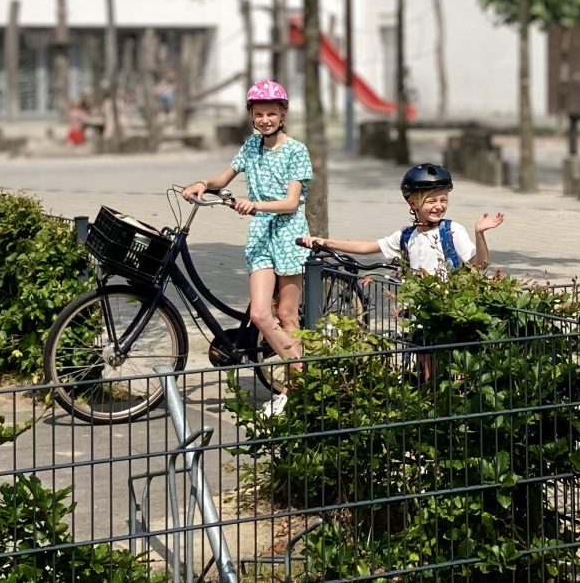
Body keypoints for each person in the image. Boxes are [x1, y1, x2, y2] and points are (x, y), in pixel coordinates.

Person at [181, 79, 312, 417]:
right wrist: (202, 183)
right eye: (259, 114)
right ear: (251, 115)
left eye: (271, 113)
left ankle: (295, 389)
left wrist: (255, 205)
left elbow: (291, 202)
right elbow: (223, 179)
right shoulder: (251, 146)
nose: (265, 119)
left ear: (283, 114)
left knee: (287, 315)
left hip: (288, 234)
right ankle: (302, 376)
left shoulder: (296, 150)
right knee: (259, 313)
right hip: (260, 237)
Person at [302, 163, 504, 382]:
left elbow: (479, 265)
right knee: (426, 372)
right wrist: (324, 241)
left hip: (451, 312)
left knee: (454, 372)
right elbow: (367, 246)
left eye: (443, 200)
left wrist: (480, 234)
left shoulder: (452, 231)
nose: (438, 206)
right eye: (431, 200)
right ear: (412, 202)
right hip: (419, 315)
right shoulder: (406, 236)